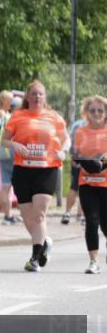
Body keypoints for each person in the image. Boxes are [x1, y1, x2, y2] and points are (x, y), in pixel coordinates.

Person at [1, 80, 69, 272]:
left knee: (39, 214)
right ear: (27, 97)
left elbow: (66, 139)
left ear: (44, 97)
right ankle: (44, 241)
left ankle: (35, 258)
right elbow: (5, 141)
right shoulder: (18, 116)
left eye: (40, 94)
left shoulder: (54, 117)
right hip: (23, 169)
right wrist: (14, 145)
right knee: (28, 217)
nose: (37, 97)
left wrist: (63, 151)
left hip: (47, 168)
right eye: (34, 94)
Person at [74, 95, 107, 274]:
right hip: (86, 183)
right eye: (92, 110)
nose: (96, 113)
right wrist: (84, 161)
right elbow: (77, 154)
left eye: (100, 110)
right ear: (86, 113)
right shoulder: (81, 132)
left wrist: (102, 163)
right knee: (91, 221)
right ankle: (94, 261)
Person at [0, 91, 22, 225]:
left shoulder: (3, 117)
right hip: (13, 154)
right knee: (20, 185)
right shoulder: (14, 119)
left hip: (2, 154)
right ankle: (20, 214)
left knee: (5, 185)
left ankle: (7, 216)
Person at [62, 115, 88, 225]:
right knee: (85, 187)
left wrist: (73, 157)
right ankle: (81, 215)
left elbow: (71, 141)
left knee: (74, 186)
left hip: (78, 159)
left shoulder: (77, 124)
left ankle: (69, 213)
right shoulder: (99, 124)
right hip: (91, 160)